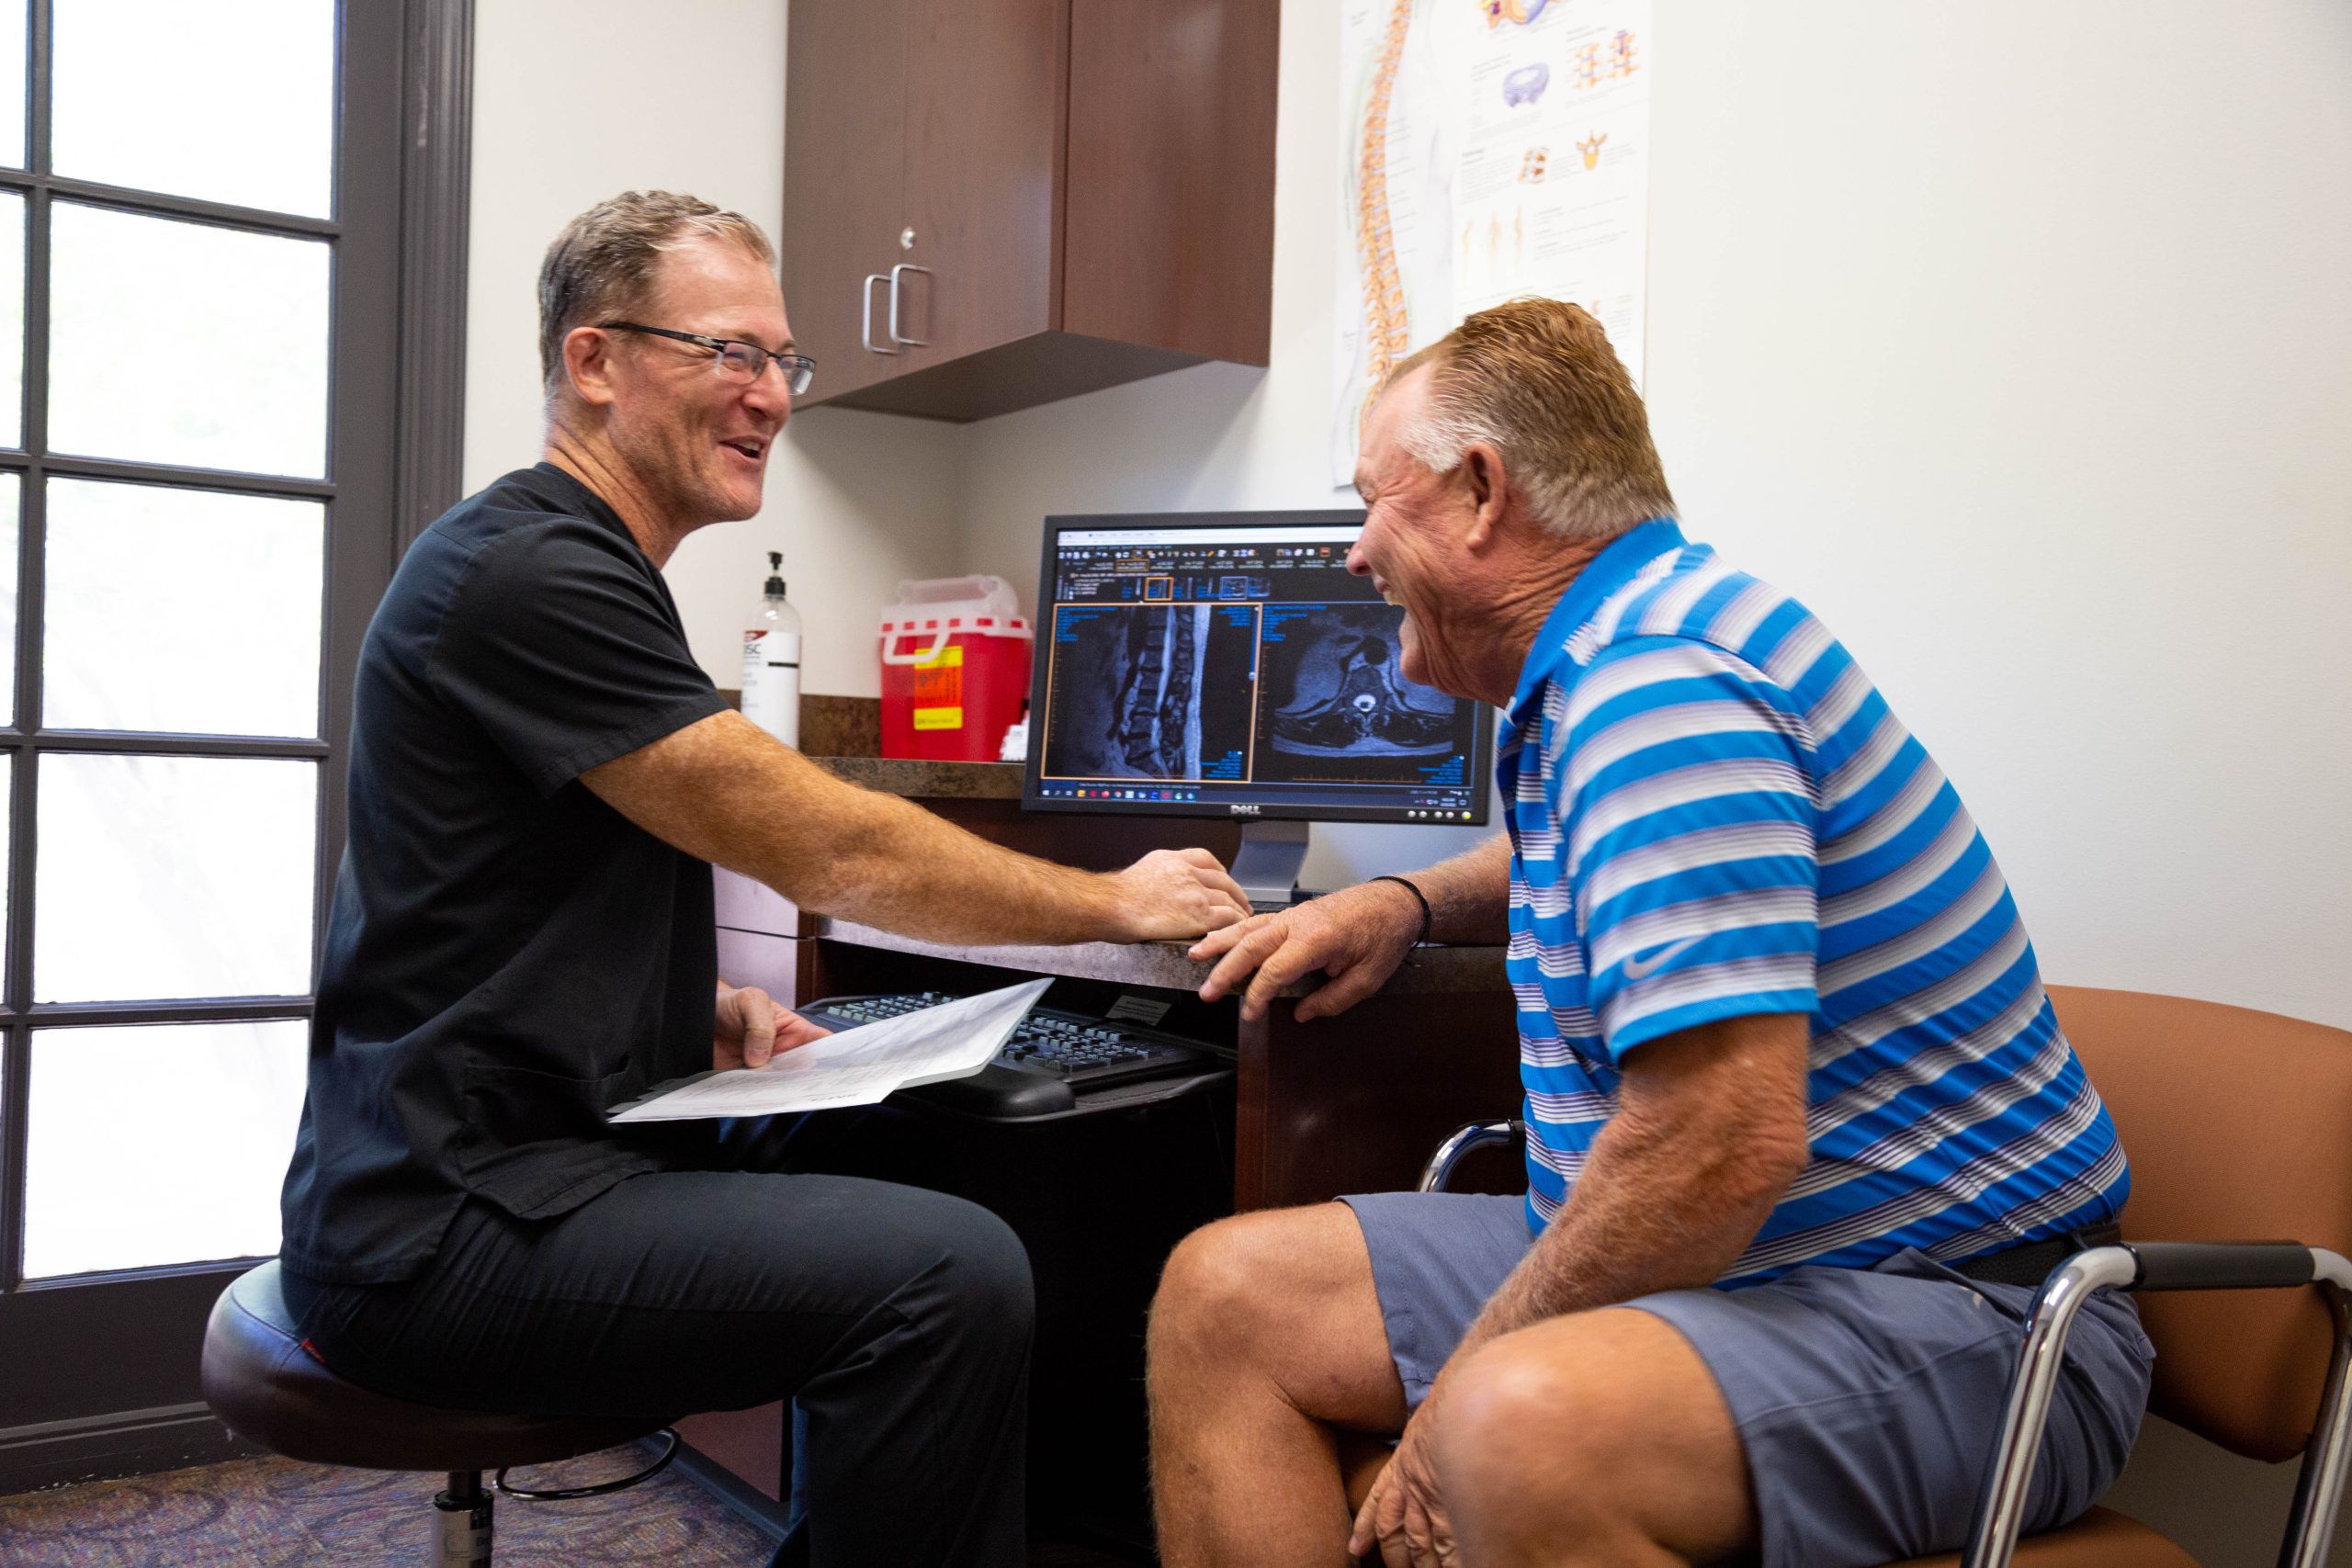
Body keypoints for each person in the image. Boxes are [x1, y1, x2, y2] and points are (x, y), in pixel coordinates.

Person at [277, 190, 1249, 1568]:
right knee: (944, 1277)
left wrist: (691, 1007)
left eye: (783, 362)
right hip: (436, 1234)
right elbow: (828, 845)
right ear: (594, 361)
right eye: (729, 352)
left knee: (974, 1152)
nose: (771, 397)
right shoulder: (531, 571)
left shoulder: (582, 567)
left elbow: (510, 912)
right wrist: (1113, 903)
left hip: (517, 1166)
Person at [1146, 298, 2150, 1568]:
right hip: (1760, 1276)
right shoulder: (1631, 648)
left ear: (1479, 492)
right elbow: (1606, 855)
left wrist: (1459, 1395)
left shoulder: (1660, 687)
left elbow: (1717, 1146)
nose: (1354, 553)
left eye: (1371, 501)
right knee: (1225, 1302)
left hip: (1975, 1319)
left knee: (1515, 1425)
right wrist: (1406, 901)